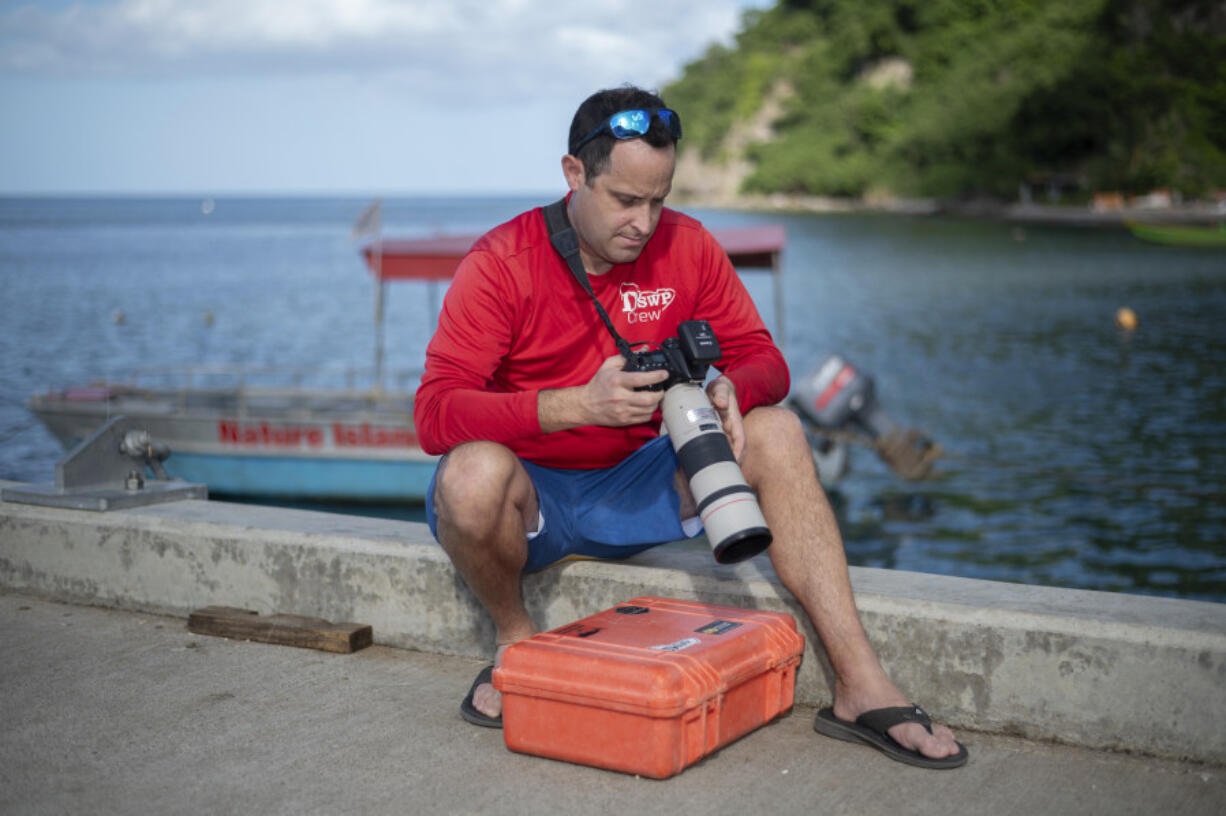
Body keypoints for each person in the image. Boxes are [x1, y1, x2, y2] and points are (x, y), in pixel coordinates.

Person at [414, 85, 967, 769]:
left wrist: (737, 386)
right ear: (572, 175)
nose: (644, 223)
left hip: (644, 482)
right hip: (537, 495)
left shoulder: (688, 245)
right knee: (470, 475)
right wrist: (575, 405)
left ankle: (861, 684)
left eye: (659, 199)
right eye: (624, 200)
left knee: (778, 430)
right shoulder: (502, 262)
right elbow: (434, 413)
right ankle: (515, 639)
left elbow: (766, 358)